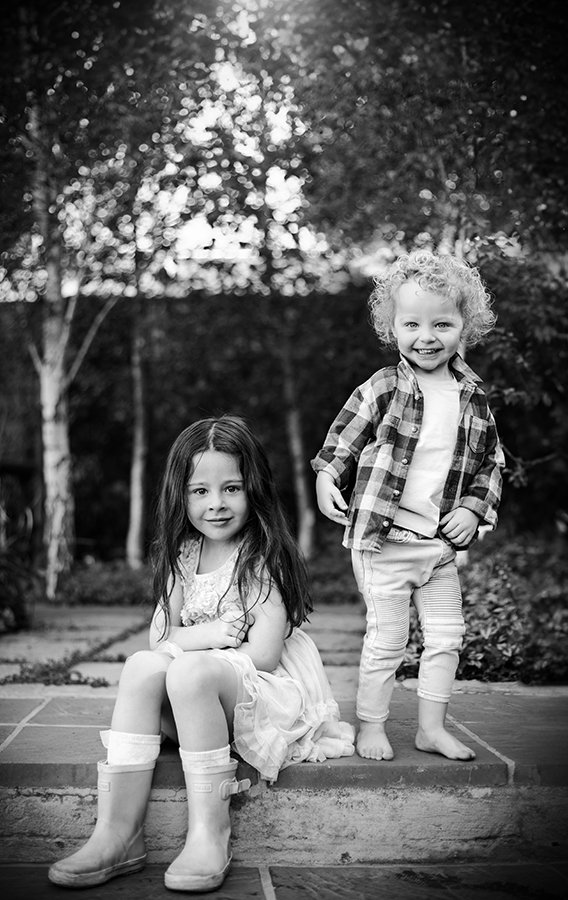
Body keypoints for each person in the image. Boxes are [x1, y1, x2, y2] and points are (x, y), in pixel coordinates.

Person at [49, 415, 354, 893]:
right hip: (196, 695)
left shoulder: (261, 556)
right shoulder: (183, 555)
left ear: (254, 489)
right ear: (181, 495)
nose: (216, 503)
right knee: (141, 666)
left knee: (188, 671)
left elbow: (264, 655)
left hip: (258, 697)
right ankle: (117, 833)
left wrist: (191, 650)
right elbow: (157, 641)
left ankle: (210, 833)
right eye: (200, 491)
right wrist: (208, 633)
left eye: (232, 488)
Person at [312, 249, 504, 764]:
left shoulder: (472, 397)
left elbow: (491, 462)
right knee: (388, 641)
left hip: (438, 550)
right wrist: (327, 477)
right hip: (384, 544)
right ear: (391, 327)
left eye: (442, 324)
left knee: (447, 638)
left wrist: (472, 509)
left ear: (465, 327)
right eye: (412, 324)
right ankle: (372, 725)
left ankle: (430, 729)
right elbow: (342, 441)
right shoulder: (384, 386)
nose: (427, 336)